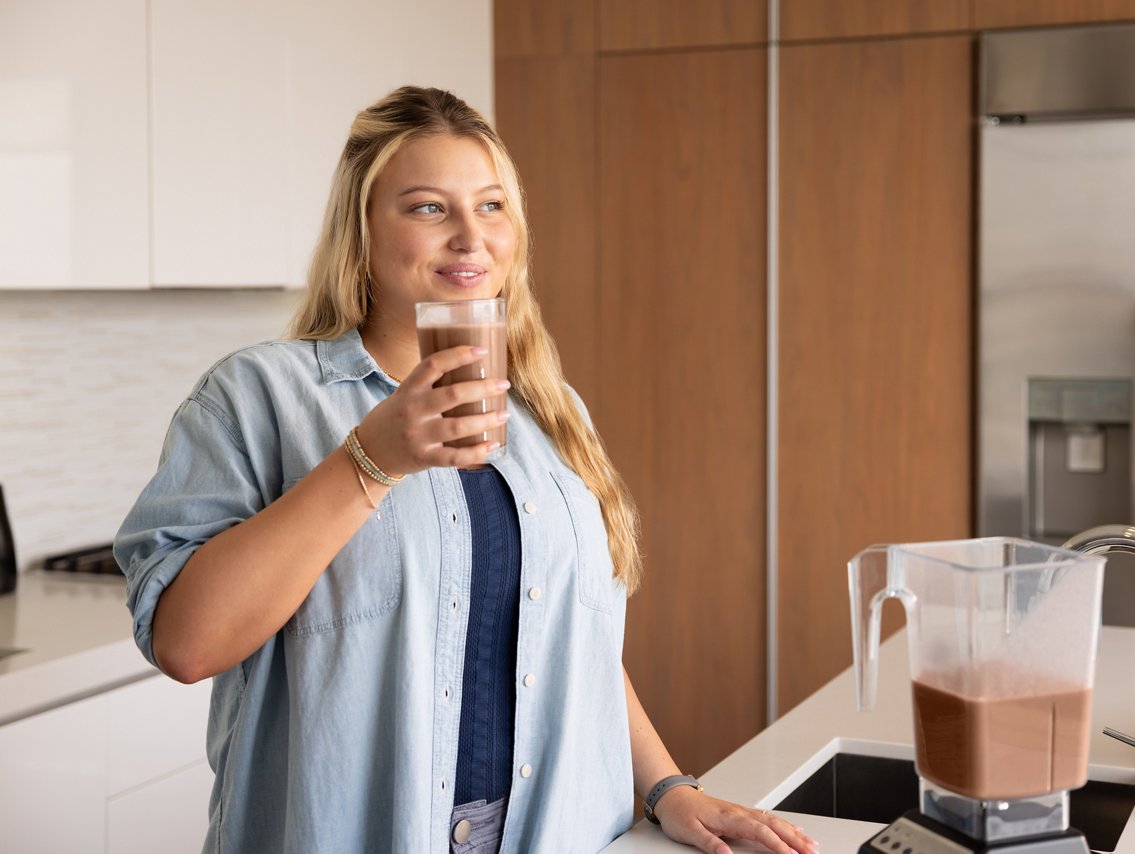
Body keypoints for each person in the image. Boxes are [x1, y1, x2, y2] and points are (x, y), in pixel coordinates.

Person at [115, 87, 818, 854]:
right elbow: (187, 643)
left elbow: (566, 647)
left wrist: (667, 787)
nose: (469, 237)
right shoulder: (259, 397)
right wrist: (371, 462)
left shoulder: (551, 413)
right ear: (361, 233)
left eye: (491, 206)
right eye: (427, 208)